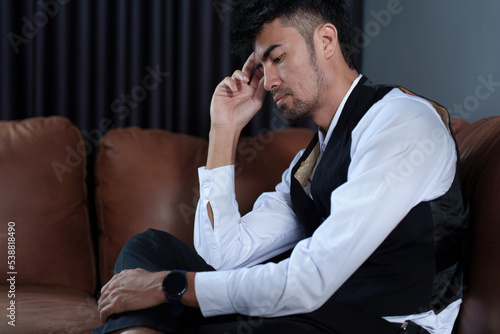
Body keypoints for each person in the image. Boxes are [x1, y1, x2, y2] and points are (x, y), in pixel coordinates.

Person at [94, 0, 469, 333]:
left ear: (325, 41)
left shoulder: (400, 123)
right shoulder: (310, 163)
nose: (269, 81)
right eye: (261, 66)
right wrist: (224, 131)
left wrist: (169, 285)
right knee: (149, 248)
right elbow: (219, 259)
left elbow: (312, 278)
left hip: (386, 325)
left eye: (278, 57)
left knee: (167, 297)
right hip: (320, 314)